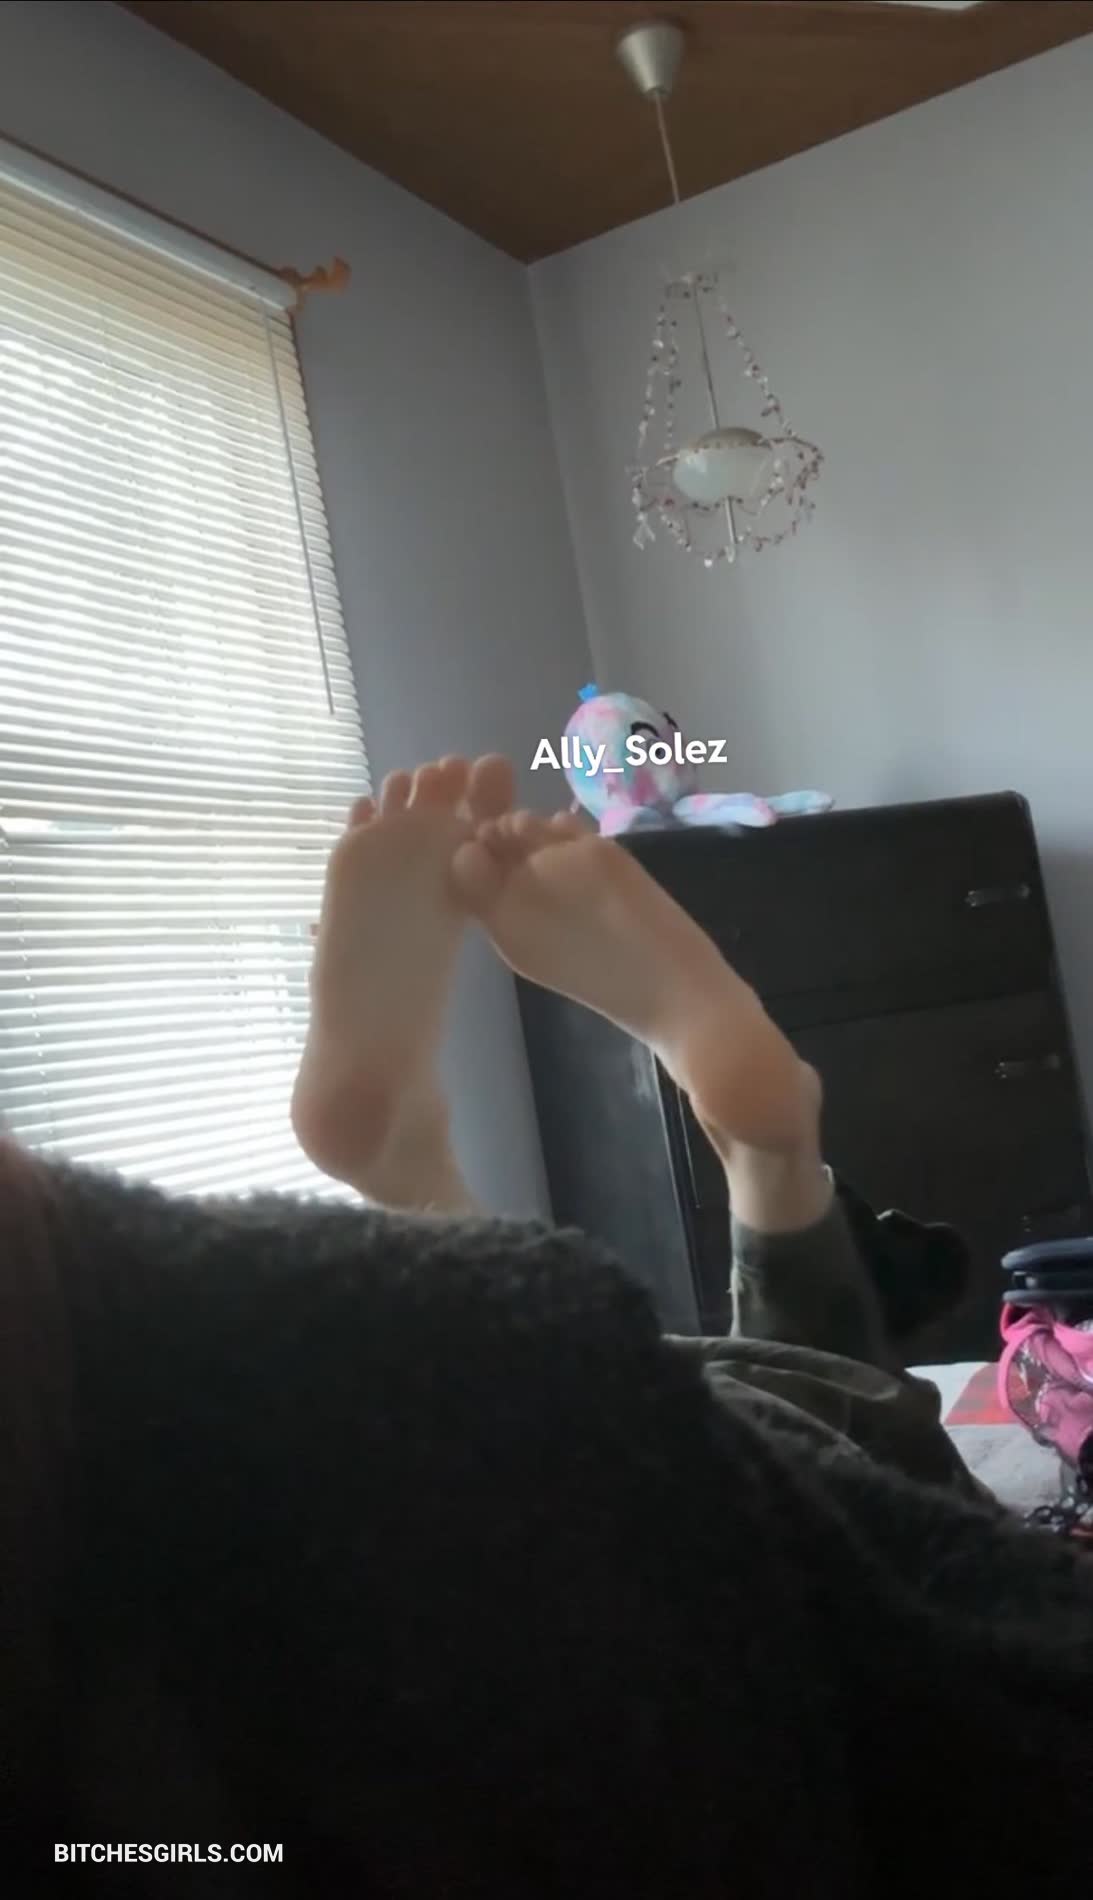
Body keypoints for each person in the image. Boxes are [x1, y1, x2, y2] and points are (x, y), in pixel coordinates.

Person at [3, 755, 1091, 1895]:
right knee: (802, 1448)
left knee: (676, 1434)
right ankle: (713, 1151)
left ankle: (554, 1167)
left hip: (433, 1611)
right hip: (719, 1580)